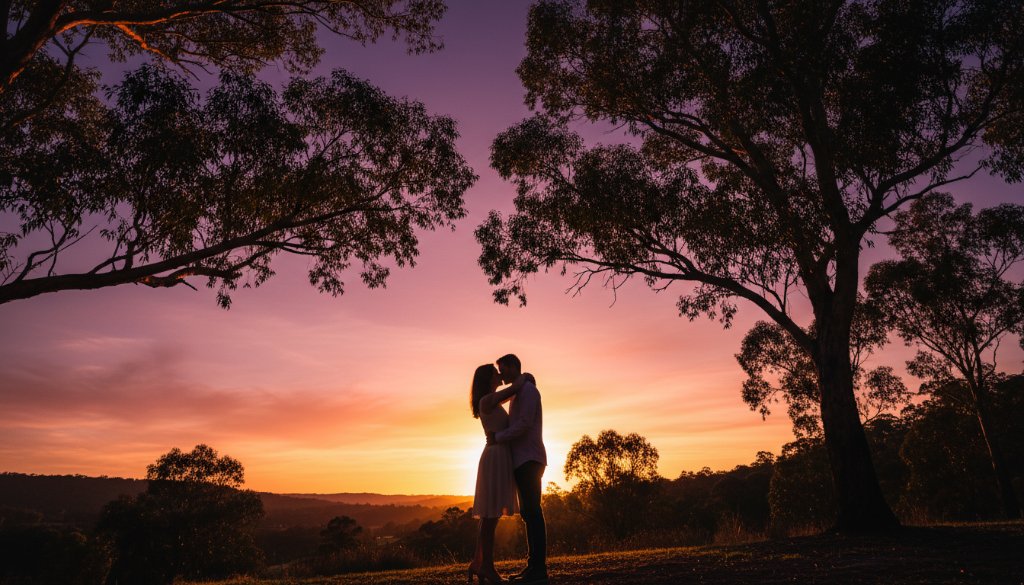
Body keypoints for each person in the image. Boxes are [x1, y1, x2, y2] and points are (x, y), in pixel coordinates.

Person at [468, 364, 533, 584]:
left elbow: (510, 394)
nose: (500, 375)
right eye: (496, 373)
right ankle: (486, 567)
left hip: (500, 455)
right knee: (490, 517)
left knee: (490, 517)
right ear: (488, 379)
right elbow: (512, 390)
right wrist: (524, 377)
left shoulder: (492, 400)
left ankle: (479, 563)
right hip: (495, 457)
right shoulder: (486, 401)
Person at [487, 354, 548, 585]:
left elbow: (524, 425)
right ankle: (533, 567)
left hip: (530, 459)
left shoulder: (528, 392)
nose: (501, 375)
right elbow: (493, 401)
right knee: (529, 514)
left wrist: (497, 438)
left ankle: (538, 570)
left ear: (514, 367)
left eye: (503, 370)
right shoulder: (518, 391)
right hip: (522, 460)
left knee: (532, 513)